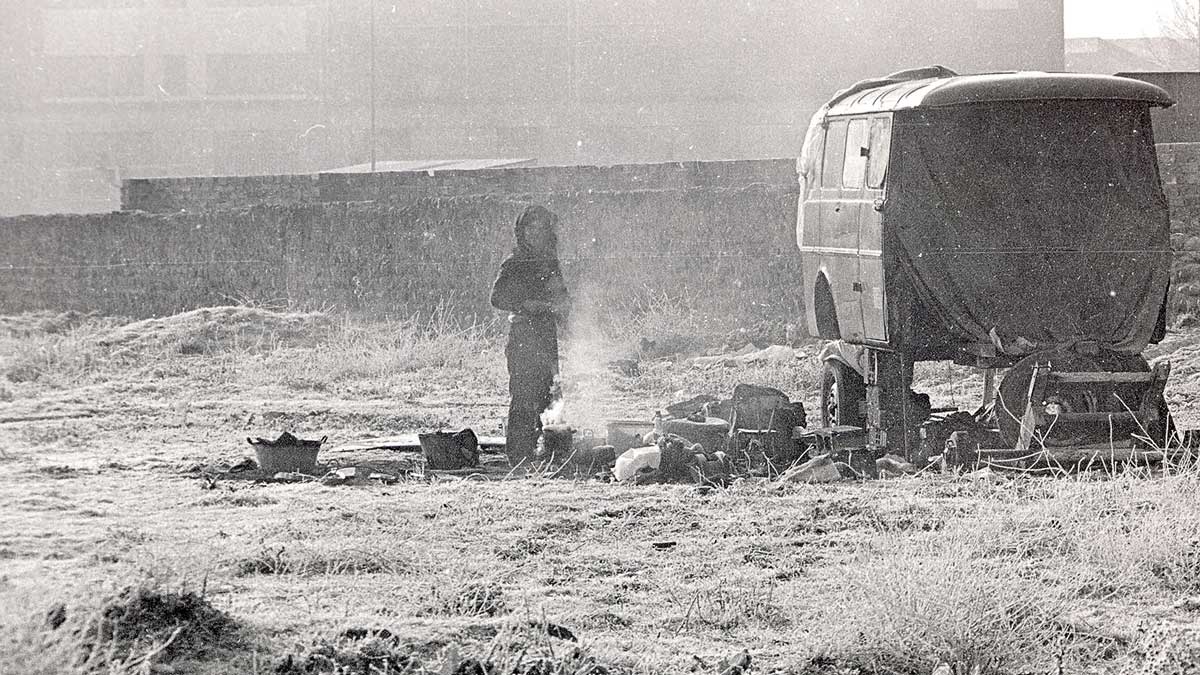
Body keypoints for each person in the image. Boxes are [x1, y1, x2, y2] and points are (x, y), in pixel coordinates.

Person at [490, 205, 571, 467]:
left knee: (548, 393)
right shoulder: (515, 263)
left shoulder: (549, 263)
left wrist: (562, 308)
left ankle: (542, 452)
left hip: (546, 336)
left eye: (542, 228)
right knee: (524, 395)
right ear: (522, 232)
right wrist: (527, 305)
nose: (536, 234)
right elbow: (498, 297)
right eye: (531, 228)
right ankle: (519, 457)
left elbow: (561, 296)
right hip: (524, 336)